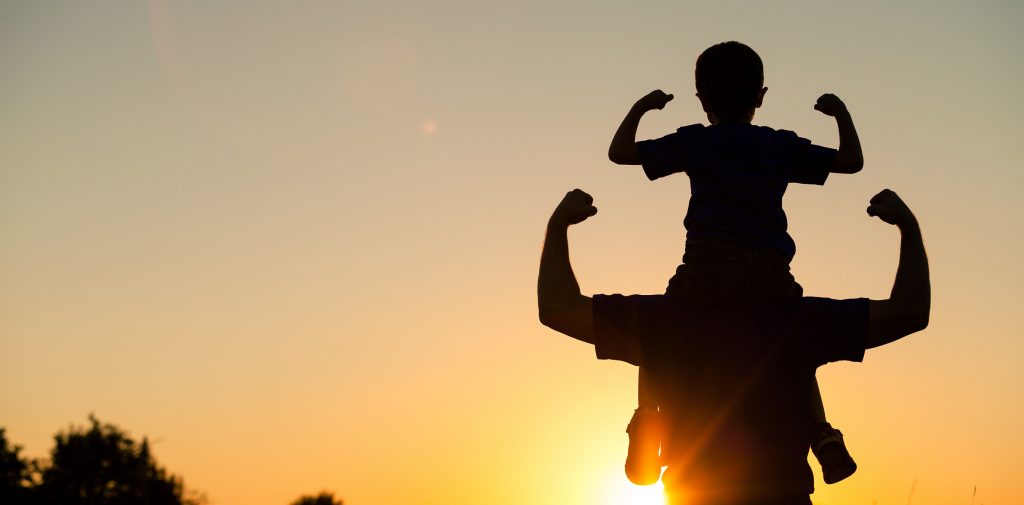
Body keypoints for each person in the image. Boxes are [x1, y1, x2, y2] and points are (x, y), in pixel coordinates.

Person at [537, 188, 929, 505]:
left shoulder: (664, 320)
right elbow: (909, 312)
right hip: (782, 495)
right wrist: (907, 228)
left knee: (648, 351)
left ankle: (646, 421)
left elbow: (558, 308)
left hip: (694, 495)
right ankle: (821, 432)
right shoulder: (796, 321)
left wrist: (558, 227)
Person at [606, 41, 864, 485]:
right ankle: (820, 431)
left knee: (656, 334)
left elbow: (620, 152)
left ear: (701, 97)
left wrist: (643, 107)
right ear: (760, 97)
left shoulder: (696, 140)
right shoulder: (778, 145)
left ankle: (648, 418)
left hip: (708, 265)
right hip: (770, 270)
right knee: (794, 350)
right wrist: (840, 114)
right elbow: (851, 162)